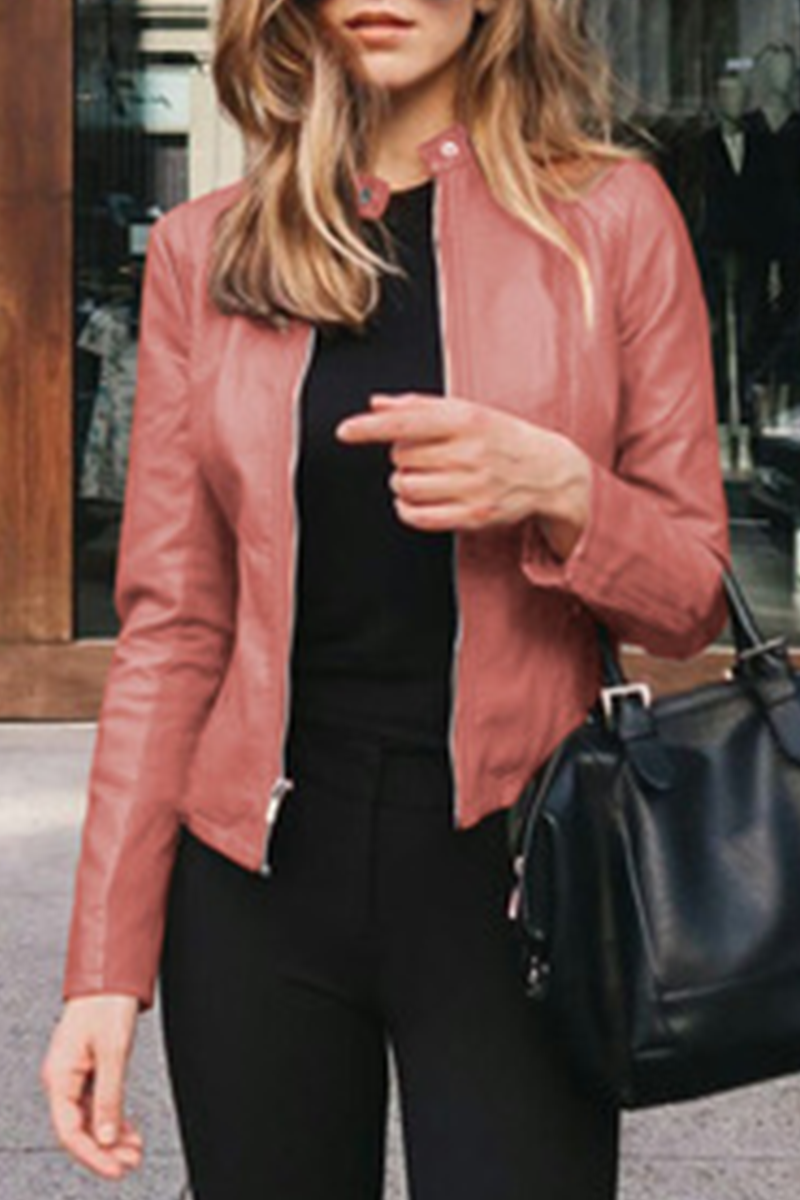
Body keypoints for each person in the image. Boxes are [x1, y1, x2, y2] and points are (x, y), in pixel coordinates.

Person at [40, 2, 732, 1198]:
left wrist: (564, 492)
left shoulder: (611, 219)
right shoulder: (209, 249)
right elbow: (172, 629)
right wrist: (102, 971)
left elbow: (687, 602)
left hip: (518, 875)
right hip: (252, 891)